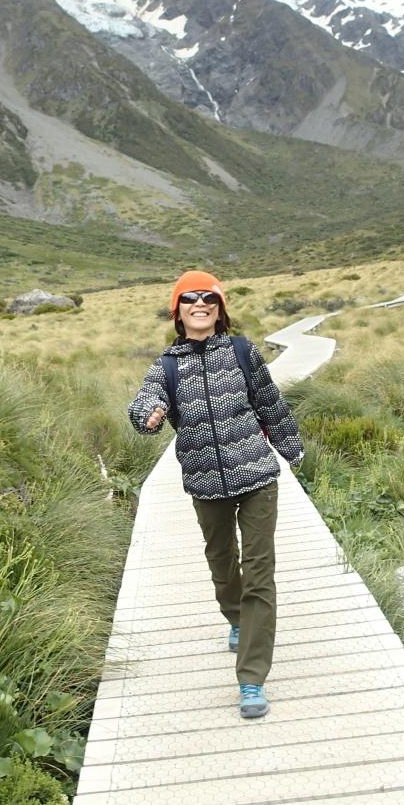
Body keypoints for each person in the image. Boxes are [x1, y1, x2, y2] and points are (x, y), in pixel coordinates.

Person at [128, 270, 305, 719]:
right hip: (206, 485)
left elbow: (270, 404)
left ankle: (251, 678)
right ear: (178, 311)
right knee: (222, 562)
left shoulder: (242, 351)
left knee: (259, 574)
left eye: (209, 297)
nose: (200, 304)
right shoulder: (167, 366)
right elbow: (145, 398)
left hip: (257, 476)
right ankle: (235, 617)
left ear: (220, 308)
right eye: (190, 298)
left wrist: (292, 449)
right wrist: (147, 413)